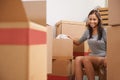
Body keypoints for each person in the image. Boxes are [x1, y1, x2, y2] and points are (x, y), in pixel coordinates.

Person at [69, 9, 107, 80]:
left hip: (102, 57)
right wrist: (71, 39)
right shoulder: (87, 31)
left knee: (86, 58)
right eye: (90, 19)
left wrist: (107, 57)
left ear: (98, 20)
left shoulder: (103, 31)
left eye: (94, 19)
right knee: (78, 59)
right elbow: (78, 42)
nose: (92, 21)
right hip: (92, 57)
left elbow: (110, 46)